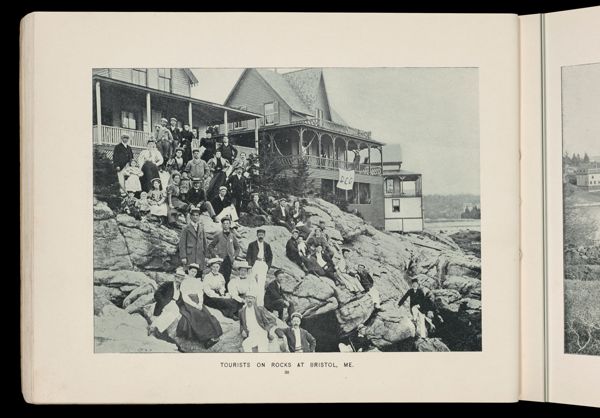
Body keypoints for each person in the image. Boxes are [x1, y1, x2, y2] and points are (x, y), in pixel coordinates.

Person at [175, 263, 223, 349]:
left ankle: (212, 337)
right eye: (192, 271)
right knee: (196, 315)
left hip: (197, 300)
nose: (193, 273)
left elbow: (200, 293)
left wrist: (200, 303)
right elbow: (184, 296)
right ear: (188, 271)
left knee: (206, 314)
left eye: (195, 272)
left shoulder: (197, 281)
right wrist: (194, 305)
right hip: (188, 302)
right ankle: (205, 339)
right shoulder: (184, 281)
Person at [208, 217, 240, 286]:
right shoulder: (218, 235)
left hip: (229, 260)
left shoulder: (232, 235)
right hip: (220, 260)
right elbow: (210, 246)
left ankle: (226, 292)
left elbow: (237, 248)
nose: (225, 225)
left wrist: (234, 256)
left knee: (227, 277)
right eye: (224, 223)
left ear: (230, 225)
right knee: (219, 276)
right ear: (222, 225)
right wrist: (215, 255)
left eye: (227, 223)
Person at [246, 229, 273, 306]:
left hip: (263, 264)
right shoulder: (252, 244)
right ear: (257, 235)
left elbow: (270, 257)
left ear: (264, 235)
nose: (260, 235)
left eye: (262, 234)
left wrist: (267, 266)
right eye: (259, 234)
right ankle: (250, 303)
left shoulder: (267, 245)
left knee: (261, 285)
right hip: (255, 263)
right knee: (252, 283)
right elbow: (248, 256)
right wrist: (250, 266)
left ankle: (260, 304)